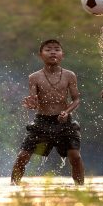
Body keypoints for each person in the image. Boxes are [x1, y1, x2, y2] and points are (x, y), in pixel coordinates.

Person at [11, 39, 85, 185]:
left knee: (75, 156)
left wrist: (66, 111)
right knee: (22, 156)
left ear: (62, 55)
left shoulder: (69, 75)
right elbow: (34, 100)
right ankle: (13, 187)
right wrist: (31, 104)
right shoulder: (34, 77)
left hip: (64, 121)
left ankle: (80, 189)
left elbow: (76, 100)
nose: (53, 52)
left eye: (57, 49)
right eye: (48, 49)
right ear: (41, 55)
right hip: (42, 122)